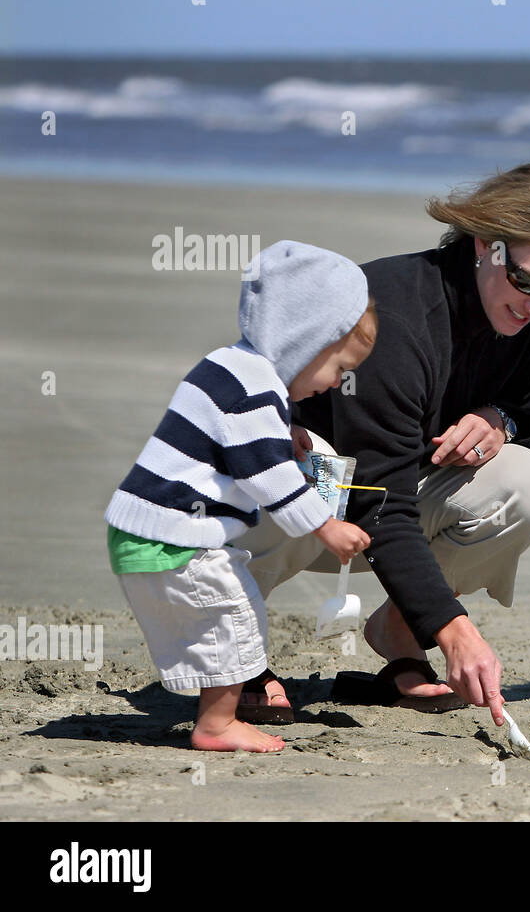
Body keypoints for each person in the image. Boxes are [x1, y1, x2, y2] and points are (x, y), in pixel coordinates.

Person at [233, 163, 530, 728]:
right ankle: (232, 650)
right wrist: (453, 630)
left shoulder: (529, 312)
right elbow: (380, 503)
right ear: (485, 245)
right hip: (284, 494)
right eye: (529, 283)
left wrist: (497, 419)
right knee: (310, 467)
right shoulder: (394, 314)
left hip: (382, 492)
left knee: (527, 484)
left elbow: (528, 414)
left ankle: (398, 630)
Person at [105, 241, 376, 752]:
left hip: (143, 532)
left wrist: (286, 430)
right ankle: (216, 724)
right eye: (339, 366)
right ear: (304, 339)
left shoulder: (232, 366)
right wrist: (325, 525)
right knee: (235, 614)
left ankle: (216, 710)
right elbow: (267, 474)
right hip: (175, 536)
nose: (339, 382)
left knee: (215, 618)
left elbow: (236, 441)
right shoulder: (256, 388)